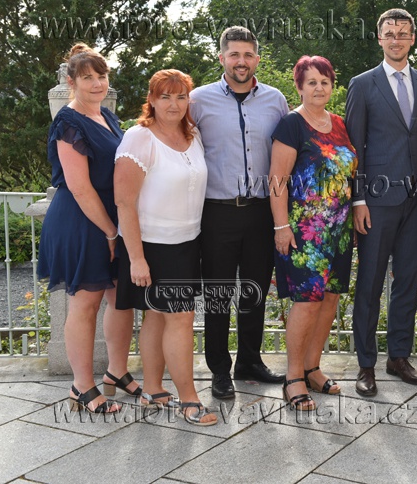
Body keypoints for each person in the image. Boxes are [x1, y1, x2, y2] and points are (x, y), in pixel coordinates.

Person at [37, 43, 139, 413]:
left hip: (112, 218)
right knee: (86, 302)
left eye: (101, 76)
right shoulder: (68, 122)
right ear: (71, 82)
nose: (97, 83)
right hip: (81, 221)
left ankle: (116, 372)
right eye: (87, 78)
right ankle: (81, 386)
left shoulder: (106, 115)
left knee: (120, 298)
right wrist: (110, 232)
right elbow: (80, 187)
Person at [190, 26, 289, 399]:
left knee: (255, 292)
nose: (241, 62)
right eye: (234, 54)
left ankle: (249, 361)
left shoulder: (276, 100)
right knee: (217, 293)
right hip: (217, 213)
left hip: (261, 212)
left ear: (257, 59)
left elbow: (287, 153)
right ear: (221, 58)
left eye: (248, 55)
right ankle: (219, 369)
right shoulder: (198, 100)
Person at [345, 8, 417, 396]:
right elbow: (354, 147)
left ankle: (399, 357)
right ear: (379, 38)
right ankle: (366, 364)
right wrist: (358, 199)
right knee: (369, 283)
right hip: (376, 201)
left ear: (412, 38)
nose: (396, 39)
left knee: (408, 282)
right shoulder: (362, 84)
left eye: (403, 33)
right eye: (389, 33)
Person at [114, 69, 216, 426]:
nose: (174, 104)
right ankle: (189, 399)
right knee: (181, 319)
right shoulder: (138, 138)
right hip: (152, 246)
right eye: (165, 97)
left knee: (157, 316)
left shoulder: (193, 134)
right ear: (152, 100)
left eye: (181, 96)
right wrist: (137, 258)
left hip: (187, 242)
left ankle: (153, 390)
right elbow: (124, 202)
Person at [270, 56, 357, 411]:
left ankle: (312, 367)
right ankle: (293, 377)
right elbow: (277, 180)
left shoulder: (340, 125)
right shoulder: (291, 124)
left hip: (339, 230)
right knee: (306, 302)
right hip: (305, 231)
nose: (319, 88)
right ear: (300, 87)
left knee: (330, 299)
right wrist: (281, 227)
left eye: (325, 81)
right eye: (311, 82)